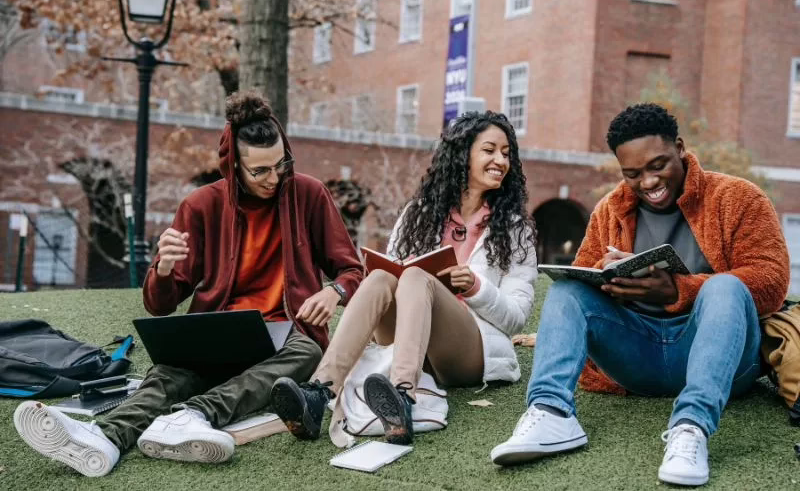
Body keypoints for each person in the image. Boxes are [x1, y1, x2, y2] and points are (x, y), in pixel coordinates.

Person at [12, 92, 364, 477]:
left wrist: (335, 291)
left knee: (309, 353)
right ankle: (104, 439)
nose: (274, 177)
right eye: (259, 170)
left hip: (287, 330)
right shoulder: (200, 206)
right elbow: (160, 305)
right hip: (219, 328)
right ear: (233, 166)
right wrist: (163, 269)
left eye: (281, 164)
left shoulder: (309, 194)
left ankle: (194, 415)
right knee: (168, 372)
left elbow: (352, 270)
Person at [491, 103, 790, 486]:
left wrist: (679, 291)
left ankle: (691, 427)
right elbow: (584, 278)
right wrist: (608, 279)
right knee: (568, 288)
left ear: (680, 147)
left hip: (721, 361)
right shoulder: (610, 209)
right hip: (637, 358)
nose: (648, 182)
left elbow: (772, 281)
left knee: (726, 286)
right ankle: (550, 413)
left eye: (657, 166)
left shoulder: (739, 198)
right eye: (632, 173)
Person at [270, 111, 538, 445]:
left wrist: (476, 287)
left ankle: (402, 396)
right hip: (407, 340)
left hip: (468, 352)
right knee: (383, 276)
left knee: (416, 278)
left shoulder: (514, 229)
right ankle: (318, 392)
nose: (500, 159)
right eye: (489, 150)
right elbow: (392, 277)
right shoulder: (419, 213)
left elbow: (515, 318)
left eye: (506, 153)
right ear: (463, 154)